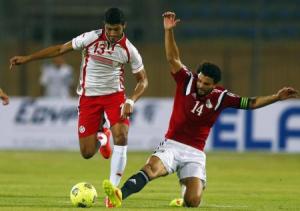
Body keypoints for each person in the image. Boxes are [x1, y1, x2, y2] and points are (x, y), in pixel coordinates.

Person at [102, 11, 299, 208]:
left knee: (193, 201)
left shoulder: (222, 97)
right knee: (151, 169)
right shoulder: (187, 80)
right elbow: (172, 58)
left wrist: (277, 97)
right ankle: (119, 195)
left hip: (195, 152)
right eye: (200, 79)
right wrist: (168, 31)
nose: (201, 85)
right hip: (172, 144)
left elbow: (251, 103)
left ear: (215, 85)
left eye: (206, 83)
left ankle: (186, 190)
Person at [10, 7, 148, 207]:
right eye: (109, 29)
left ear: (124, 27)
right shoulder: (90, 38)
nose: (111, 33)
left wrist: (131, 100)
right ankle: (103, 135)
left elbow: (143, 81)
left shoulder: (129, 50)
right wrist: (28, 58)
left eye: (116, 30)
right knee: (87, 152)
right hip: (88, 98)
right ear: (104, 26)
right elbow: (60, 49)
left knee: (122, 135)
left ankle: (113, 191)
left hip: (114, 97)